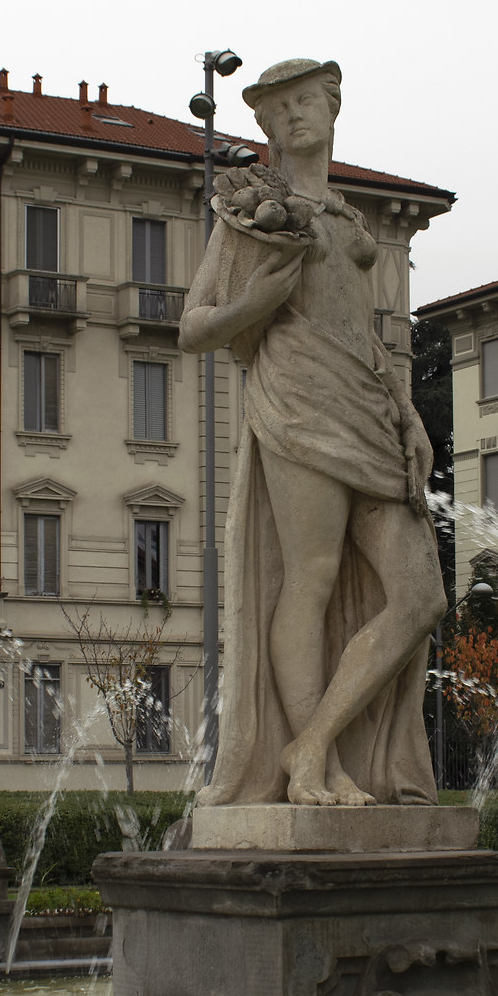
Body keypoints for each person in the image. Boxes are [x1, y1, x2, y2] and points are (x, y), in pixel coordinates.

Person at [182, 58, 444, 807]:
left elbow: (368, 333)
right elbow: (195, 327)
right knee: (312, 579)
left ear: (333, 109)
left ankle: (313, 745)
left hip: (368, 405)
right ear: (263, 129)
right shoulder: (253, 212)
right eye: (277, 110)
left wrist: (408, 410)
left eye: (306, 101)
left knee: (421, 596)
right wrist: (253, 303)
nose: (294, 116)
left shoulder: (351, 223)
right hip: (296, 400)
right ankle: (312, 768)